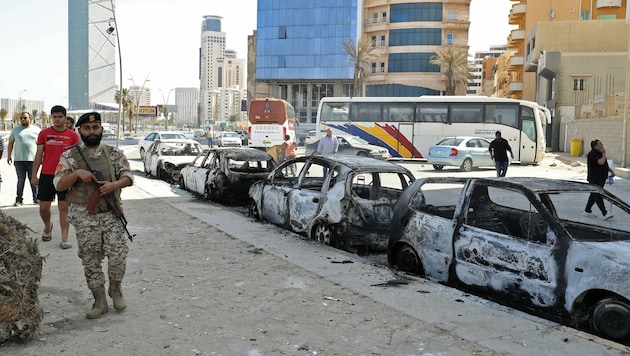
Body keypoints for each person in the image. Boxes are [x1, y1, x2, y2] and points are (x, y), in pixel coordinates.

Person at [54, 111, 133, 319]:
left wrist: (113, 185)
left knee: (118, 255)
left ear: (101, 130)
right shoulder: (70, 156)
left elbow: (128, 176)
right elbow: (59, 184)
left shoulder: (113, 153)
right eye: (87, 128)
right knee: (90, 259)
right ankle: (99, 299)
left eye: (95, 127)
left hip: (111, 213)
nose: (91, 132)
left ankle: (115, 289)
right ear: (79, 130)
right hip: (84, 216)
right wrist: (77, 174)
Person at [32, 105, 80, 249]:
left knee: (64, 206)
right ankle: (48, 227)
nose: (57, 120)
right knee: (43, 207)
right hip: (47, 174)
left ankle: (65, 238)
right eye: (55, 117)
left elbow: (77, 158)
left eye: (60, 117)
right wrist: (34, 175)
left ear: (65, 118)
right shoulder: (44, 133)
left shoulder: (73, 136)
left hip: (65, 176)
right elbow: (39, 155)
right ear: (51, 117)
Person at [7, 112, 41, 206]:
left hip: (33, 160)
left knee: (33, 179)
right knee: (21, 180)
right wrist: (9, 155)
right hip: (19, 160)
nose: (23, 120)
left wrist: (42, 156)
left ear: (30, 118)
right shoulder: (16, 130)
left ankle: (36, 198)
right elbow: (10, 143)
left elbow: (42, 145)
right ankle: (19, 199)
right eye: (21, 118)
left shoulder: (36, 130)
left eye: (25, 118)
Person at [583, 139, 615, 220]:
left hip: (601, 178)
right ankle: (605, 213)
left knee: (594, 195)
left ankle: (587, 211)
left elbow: (604, 164)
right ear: (596, 146)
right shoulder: (593, 154)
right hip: (594, 178)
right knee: (597, 195)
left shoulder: (599, 153)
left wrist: (611, 171)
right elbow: (600, 162)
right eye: (600, 143)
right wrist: (604, 153)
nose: (602, 144)